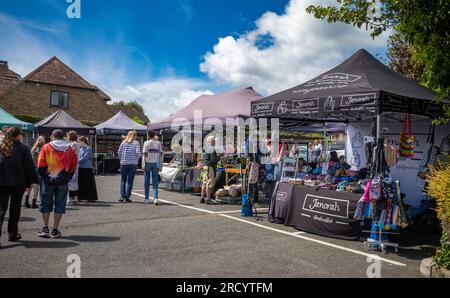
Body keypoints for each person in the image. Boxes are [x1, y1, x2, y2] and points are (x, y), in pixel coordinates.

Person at [0, 127, 38, 246]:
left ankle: (12, 234)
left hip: (2, 183)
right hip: (18, 183)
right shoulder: (23, 148)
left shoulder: (1, 147)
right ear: (17, 136)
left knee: (1, 210)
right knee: (15, 209)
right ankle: (12, 234)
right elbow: (29, 167)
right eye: (20, 135)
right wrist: (30, 182)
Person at [37, 129, 78, 239]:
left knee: (45, 203)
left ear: (52, 136)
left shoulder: (46, 147)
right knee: (60, 205)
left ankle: (45, 228)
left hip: (48, 181)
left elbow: (40, 164)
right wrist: (67, 177)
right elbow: (74, 165)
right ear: (63, 137)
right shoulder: (70, 149)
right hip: (63, 181)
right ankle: (55, 230)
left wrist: (45, 177)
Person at [118, 130, 141, 203]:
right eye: (136, 135)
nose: (137, 137)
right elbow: (138, 153)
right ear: (133, 136)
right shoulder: (136, 143)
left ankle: (122, 196)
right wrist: (136, 160)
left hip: (124, 163)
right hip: (133, 164)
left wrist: (122, 159)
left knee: (123, 180)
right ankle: (127, 197)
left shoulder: (123, 142)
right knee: (130, 181)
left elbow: (119, 152)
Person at [142, 130, 163, 205]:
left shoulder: (146, 143)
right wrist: (160, 165)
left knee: (146, 182)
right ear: (154, 135)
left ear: (148, 135)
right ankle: (155, 198)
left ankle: (147, 198)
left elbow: (144, 154)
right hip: (155, 163)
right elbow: (161, 155)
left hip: (147, 163)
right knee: (155, 182)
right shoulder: (158, 143)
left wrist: (143, 164)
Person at [24, 136, 46, 209]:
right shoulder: (44, 149)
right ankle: (34, 202)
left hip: (31, 169)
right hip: (38, 169)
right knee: (36, 186)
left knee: (30, 186)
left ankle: (26, 201)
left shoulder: (33, 149)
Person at [77, 136, 98, 202]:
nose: (79, 143)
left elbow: (85, 158)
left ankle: (90, 197)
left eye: (79, 142)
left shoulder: (88, 148)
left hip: (87, 168)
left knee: (88, 183)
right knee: (82, 183)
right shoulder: (80, 149)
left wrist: (76, 161)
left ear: (83, 141)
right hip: (81, 167)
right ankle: (82, 197)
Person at [201, 136, 219, 204]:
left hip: (205, 166)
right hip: (210, 166)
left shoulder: (204, 147)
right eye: (214, 140)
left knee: (205, 182)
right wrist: (220, 158)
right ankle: (208, 199)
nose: (215, 142)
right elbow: (213, 159)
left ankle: (202, 198)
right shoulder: (211, 148)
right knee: (210, 183)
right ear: (210, 141)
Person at [67, 131, 80, 205]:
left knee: (72, 182)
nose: (67, 137)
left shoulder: (74, 144)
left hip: (72, 165)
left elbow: (70, 154)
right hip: (73, 165)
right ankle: (73, 197)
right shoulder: (73, 144)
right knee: (73, 182)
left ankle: (72, 198)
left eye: (68, 136)